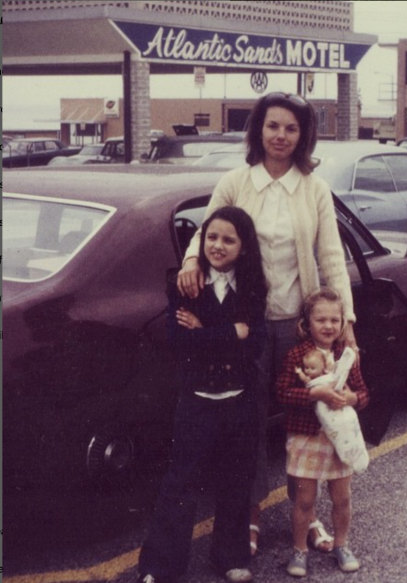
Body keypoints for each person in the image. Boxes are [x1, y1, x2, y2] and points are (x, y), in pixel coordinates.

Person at [177, 91, 358, 556]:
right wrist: (192, 260)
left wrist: (347, 322)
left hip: (298, 327)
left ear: (303, 136)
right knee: (249, 423)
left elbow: (331, 257)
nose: (281, 136)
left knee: (310, 421)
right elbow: (205, 229)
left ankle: (310, 515)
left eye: (291, 128)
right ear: (259, 130)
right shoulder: (237, 181)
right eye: (273, 126)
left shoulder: (314, 189)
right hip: (248, 325)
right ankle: (249, 517)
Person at [138, 207, 267, 583]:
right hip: (197, 402)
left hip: (239, 401)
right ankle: (160, 567)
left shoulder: (253, 286)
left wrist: (208, 330)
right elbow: (181, 342)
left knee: (235, 480)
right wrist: (232, 332)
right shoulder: (185, 285)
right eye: (212, 237)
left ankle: (230, 556)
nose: (218, 246)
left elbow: (256, 344)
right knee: (180, 483)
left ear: (244, 248)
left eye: (229, 240)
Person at [276, 287, 370, 577]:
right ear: (307, 323)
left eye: (334, 320)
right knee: (305, 500)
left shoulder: (347, 355)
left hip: (340, 439)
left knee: (342, 497)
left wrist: (352, 398)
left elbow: (364, 393)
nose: (328, 326)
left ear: (342, 322)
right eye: (321, 320)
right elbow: (282, 394)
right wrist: (317, 395)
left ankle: (341, 544)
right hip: (307, 438)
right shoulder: (296, 355)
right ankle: (299, 550)